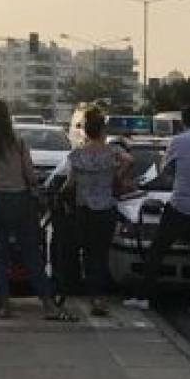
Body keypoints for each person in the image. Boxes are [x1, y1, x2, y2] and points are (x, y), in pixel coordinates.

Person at [0, 99, 75, 321]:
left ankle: (5, 305)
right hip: (20, 202)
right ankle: (48, 304)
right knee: (31, 253)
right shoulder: (18, 143)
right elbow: (30, 175)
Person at [124, 103, 190, 316]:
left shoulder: (179, 141)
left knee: (157, 251)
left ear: (183, 121)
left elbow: (165, 169)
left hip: (181, 206)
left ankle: (143, 297)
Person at [61, 108, 132, 317]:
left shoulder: (77, 154)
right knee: (101, 254)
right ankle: (98, 297)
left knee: (87, 252)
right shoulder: (111, 153)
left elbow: (69, 183)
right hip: (105, 210)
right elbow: (130, 160)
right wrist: (116, 176)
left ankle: (89, 290)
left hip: (84, 210)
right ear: (102, 130)